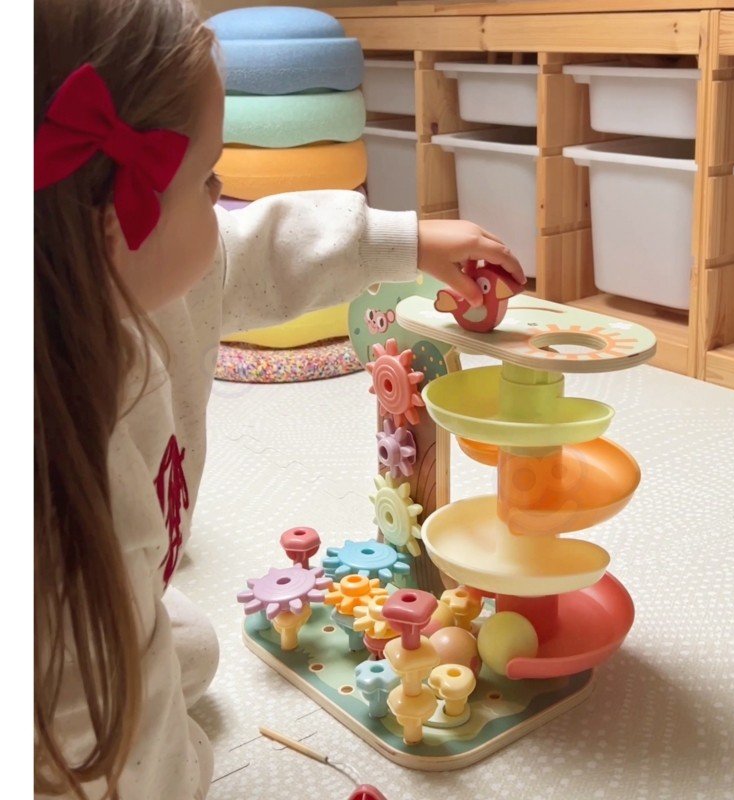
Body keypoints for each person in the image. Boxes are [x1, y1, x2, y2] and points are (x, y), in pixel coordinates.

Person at [33, 0, 525, 797]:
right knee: (123, 702)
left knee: (186, 646)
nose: (222, 202)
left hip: (108, 610)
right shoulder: (59, 474)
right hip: (61, 668)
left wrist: (407, 241)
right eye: (208, 181)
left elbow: (255, 251)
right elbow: (94, 730)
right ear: (121, 218)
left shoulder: (119, 270)